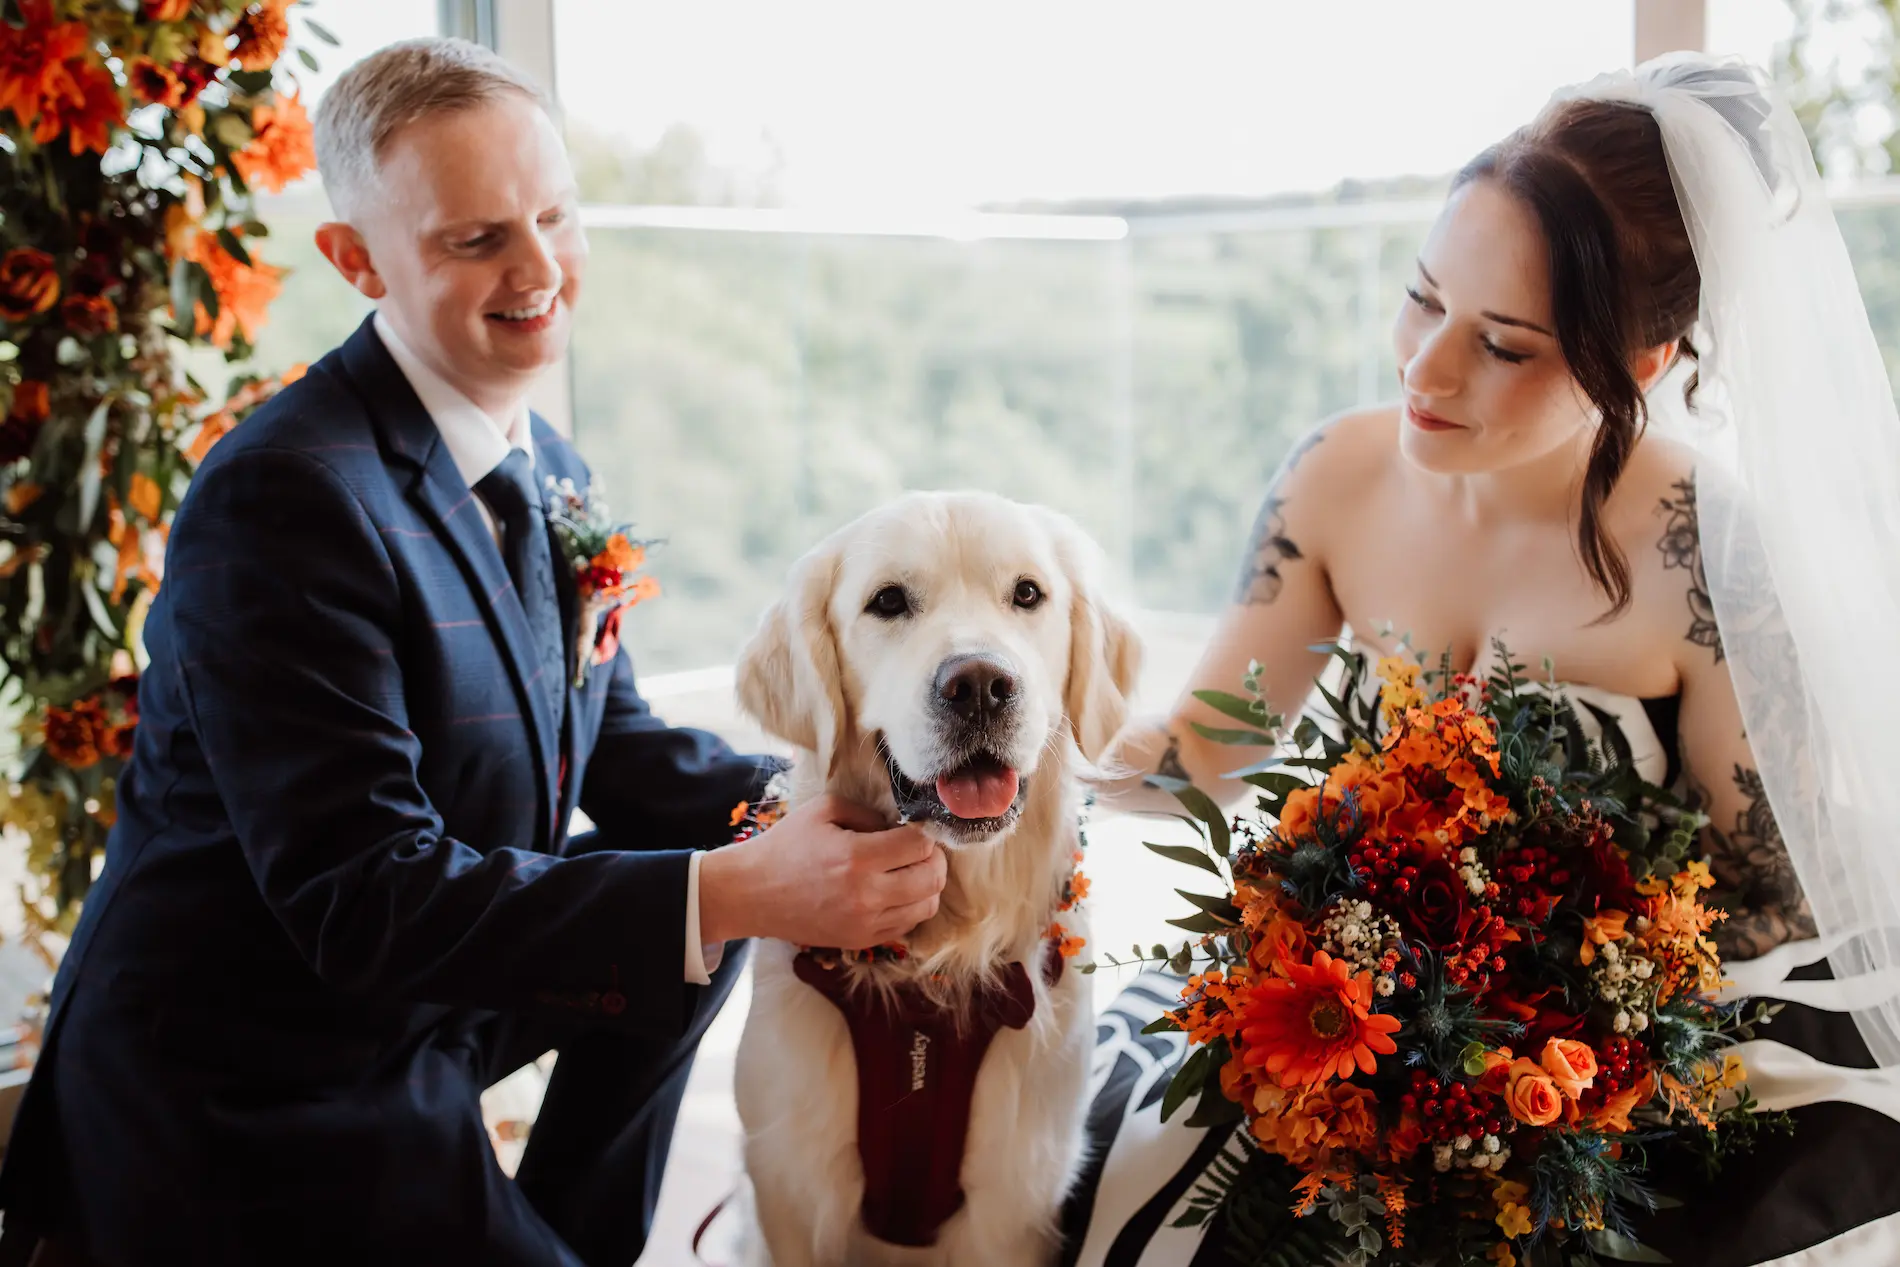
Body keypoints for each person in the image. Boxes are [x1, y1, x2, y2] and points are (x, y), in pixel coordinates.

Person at [0, 37, 947, 1267]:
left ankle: (562, 1232)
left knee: (702, 885)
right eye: (477, 238)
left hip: (417, 1012)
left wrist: (849, 803)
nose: (541, 269)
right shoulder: (281, 498)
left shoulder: (544, 463)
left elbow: (614, 744)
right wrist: (745, 887)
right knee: (705, 895)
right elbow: (365, 896)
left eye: (556, 214)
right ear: (355, 261)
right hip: (254, 1084)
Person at [1061, 53, 1900, 1267]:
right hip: (1358, 1029)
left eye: (1504, 345)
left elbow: (1766, 895)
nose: (1424, 367)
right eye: (1421, 296)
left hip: (1617, 1063)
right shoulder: (1333, 477)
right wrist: (1037, 750)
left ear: (1645, 363)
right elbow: (1208, 751)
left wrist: (1548, 997)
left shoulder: (1704, 553)